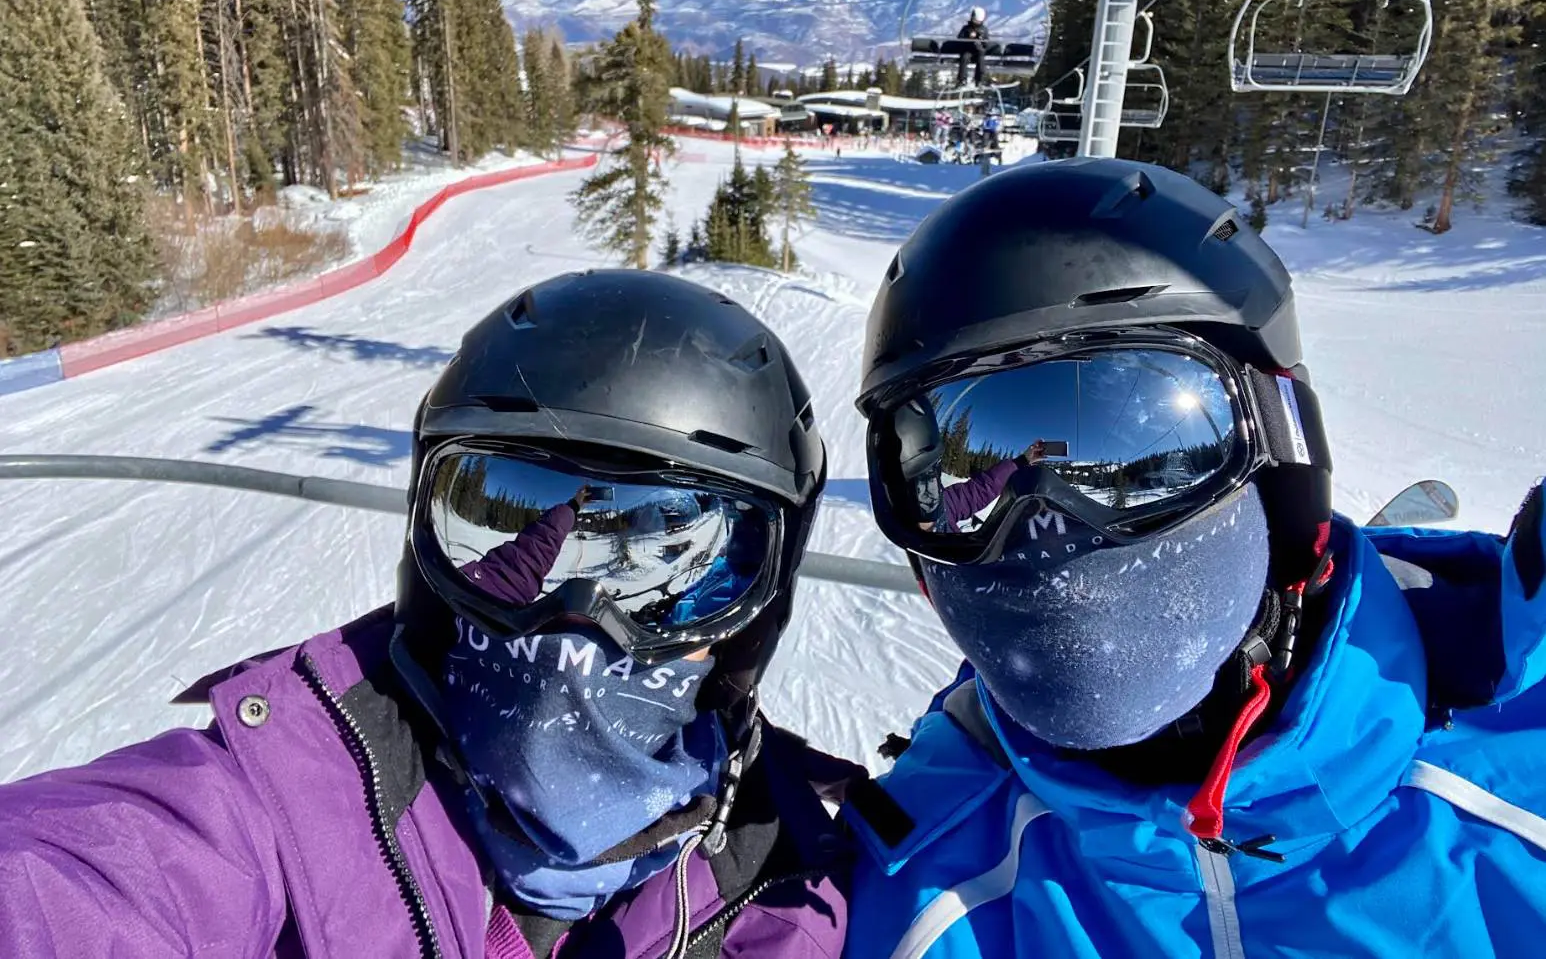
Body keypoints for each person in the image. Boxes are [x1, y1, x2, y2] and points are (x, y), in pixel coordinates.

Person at [0, 269, 853, 959]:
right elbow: (81, 884)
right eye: (503, 498)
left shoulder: (795, 889)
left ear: (752, 616)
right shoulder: (276, 804)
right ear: (427, 560)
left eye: (676, 580)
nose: (579, 629)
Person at [842, 159, 1546, 957]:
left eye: (1144, 445)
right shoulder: (914, 881)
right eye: (964, 465)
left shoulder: (1522, 760)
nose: (1056, 539)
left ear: (1279, 453)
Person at [951, 6, 989, 88]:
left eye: (978, 22)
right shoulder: (966, 28)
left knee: (981, 58)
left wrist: (981, 41)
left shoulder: (984, 29)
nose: (976, 23)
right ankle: (962, 80)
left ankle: (979, 81)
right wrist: (968, 37)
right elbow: (959, 40)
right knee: (964, 58)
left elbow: (986, 44)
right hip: (967, 50)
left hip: (978, 51)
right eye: (975, 21)